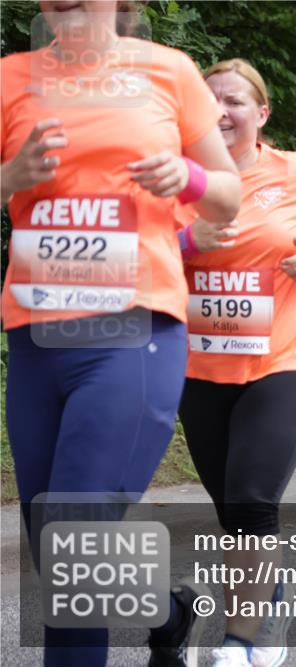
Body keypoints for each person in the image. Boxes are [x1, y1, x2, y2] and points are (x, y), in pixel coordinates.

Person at [1, 2, 241, 666]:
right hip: (36, 339)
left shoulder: (169, 71)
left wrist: (186, 176)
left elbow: (229, 192)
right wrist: (11, 178)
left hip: (135, 331)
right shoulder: (10, 76)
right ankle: (167, 611)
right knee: (59, 549)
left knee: (73, 541)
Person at [167, 58, 296, 667]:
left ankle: (241, 641)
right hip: (200, 370)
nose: (220, 112)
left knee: (253, 500)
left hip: (285, 362)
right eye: (209, 102)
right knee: (232, 510)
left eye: (234, 101)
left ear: (262, 113)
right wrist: (184, 243)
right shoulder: (178, 179)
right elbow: (142, 253)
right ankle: (269, 600)